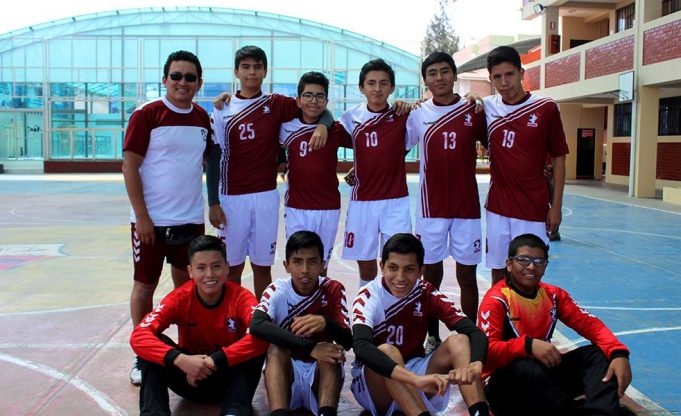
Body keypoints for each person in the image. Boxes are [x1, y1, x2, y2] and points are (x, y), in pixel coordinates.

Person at [122, 50, 220, 385]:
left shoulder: (202, 119)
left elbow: (211, 163)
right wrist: (142, 216)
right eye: (176, 76)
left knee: (188, 290)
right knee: (144, 287)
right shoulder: (147, 115)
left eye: (189, 77)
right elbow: (130, 166)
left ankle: (188, 350)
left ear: (199, 83)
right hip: (151, 222)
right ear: (164, 79)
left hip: (190, 222)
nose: (182, 82)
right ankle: (142, 354)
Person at [208, 45, 333, 298]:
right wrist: (212, 202)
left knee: (262, 266)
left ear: (265, 71)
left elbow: (315, 106)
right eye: (245, 67)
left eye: (257, 67)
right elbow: (213, 156)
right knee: (232, 268)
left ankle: (261, 322)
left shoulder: (276, 103)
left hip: (266, 196)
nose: (251, 72)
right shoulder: (223, 109)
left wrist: (324, 125)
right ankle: (234, 321)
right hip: (232, 198)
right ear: (236, 72)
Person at [478, 233, 632, 415]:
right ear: (509, 264)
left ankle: (600, 412)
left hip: (543, 378)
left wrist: (619, 353)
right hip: (505, 386)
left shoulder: (553, 295)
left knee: (599, 354)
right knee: (525, 367)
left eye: (539, 261)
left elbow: (589, 324)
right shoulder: (496, 300)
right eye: (523, 260)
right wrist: (527, 346)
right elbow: (487, 353)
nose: (531, 266)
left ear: (545, 267)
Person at [351, 233, 490, 416]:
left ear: (420, 270)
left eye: (409, 269)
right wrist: (415, 379)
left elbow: (475, 333)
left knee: (460, 341)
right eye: (393, 268)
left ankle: (479, 412)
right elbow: (361, 347)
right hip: (376, 386)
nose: (400, 277)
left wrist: (475, 366)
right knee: (387, 351)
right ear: (382, 266)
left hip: (416, 373)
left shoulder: (426, 292)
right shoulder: (368, 295)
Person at [130, 235, 269, 416]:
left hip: (228, 379)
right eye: (201, 268)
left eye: (216, 266)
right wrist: (181, 360)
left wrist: (215, 359)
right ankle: (154, 413)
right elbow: (138, 336)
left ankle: (235, 411)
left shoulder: (241, 297)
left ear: (227, 268)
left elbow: (263, 334)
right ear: (190, 271)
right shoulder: (179, 298)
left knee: (259, 338)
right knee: (151, 343)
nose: (209, 274)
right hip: (189, 379)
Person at [406, 52, 487, 353]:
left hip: (466, 206)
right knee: (431, 274)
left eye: (444, 72)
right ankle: (432, 335)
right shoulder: (417, 114)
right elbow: (393, 146)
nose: (438, 78)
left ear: (454, 76)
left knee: (467, 274)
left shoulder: (474, 110)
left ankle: (472, 333)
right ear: (425, 80)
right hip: (431, 208)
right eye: (432, 73)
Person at [482, 45, 569, 284]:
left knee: (529, 273)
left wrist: (557, 206)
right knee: (499, 271)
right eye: (497, 77)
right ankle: (499, 320)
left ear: (521, 73)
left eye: (509, 74)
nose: (504, 82)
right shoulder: (486, 107)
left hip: (533, 208)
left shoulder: (545, 108)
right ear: (490, 79)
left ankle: (527, 321)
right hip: (498, 207)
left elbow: (560, 158)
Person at [250, 231, 352, 416]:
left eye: (312, 262)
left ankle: (326, 412)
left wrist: (326, 323)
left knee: (331, 352)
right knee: (275, 349)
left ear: (323, 265)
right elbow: (256, 325)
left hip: (320, 374)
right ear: (286, 265)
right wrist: (310, 347)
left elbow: (348, 341)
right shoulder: (278, 290)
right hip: (287, 373)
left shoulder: (333, 288)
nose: (305, 270)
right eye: (297, 262)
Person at [339, 59, 413, 287]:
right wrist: (323, 124)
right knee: (367, 264)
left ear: (392, 88)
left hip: (395, 201)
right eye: (371, 83)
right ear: (361, 88)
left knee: (398, 261)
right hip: (363, 201)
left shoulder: (404, 115)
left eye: (383, 83)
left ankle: (396, 311)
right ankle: (365, 313)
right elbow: (324, 124)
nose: (377, 89)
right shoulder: (351, 117)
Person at [279, 72, 353, 274]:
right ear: (299, 100)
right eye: (308, 95)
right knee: (298, 266)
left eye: (320, 96)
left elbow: (368, 146)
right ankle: (300, 306)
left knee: (321, 266)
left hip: (328, 209)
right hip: (297, 208)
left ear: (326, 101)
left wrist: (359, 168)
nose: (314, 101)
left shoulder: (335, 130)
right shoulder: (286, 128)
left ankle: (320, 304)